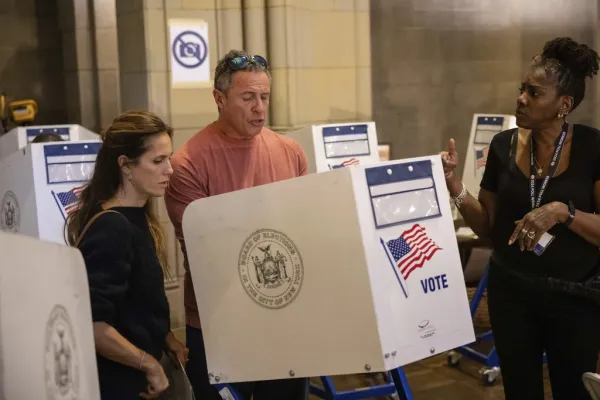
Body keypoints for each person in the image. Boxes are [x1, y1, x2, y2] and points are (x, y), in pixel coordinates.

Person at [441, 37, 600, 400]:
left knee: (572, 389)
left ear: (564, 105)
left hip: (574, 299)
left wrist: (563, 212)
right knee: (520, 390)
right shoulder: (502, 146)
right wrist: (455, 186)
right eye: (522, 89)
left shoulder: (593, 147)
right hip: (511, 293)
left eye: (534, 92)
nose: (521, 99)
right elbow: (487, 227)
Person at [164, 50, 309, 400]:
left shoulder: (290, 151)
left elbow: (307, 231)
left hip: (284, 319)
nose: (260, 107)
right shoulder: (189, 163)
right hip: (220, 324)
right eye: (248, 98)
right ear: (219, 98)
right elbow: (206, 253)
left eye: (265, 97)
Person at [65, 110, 189, 400]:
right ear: (126, 166)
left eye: (168, 158)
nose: (169, 169)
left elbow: (135, 303)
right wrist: (148, 365)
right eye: (158, 161)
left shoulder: (135, 217)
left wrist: (168, 339)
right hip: (121, 384)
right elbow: (94, 324)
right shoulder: (112, 227)